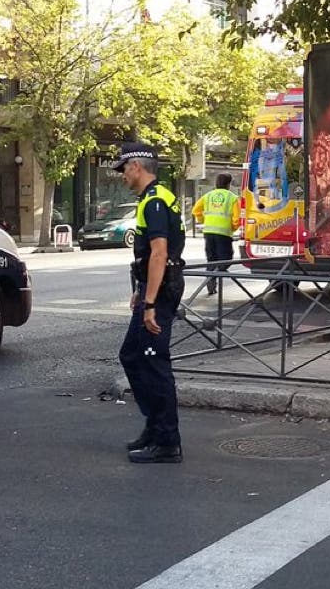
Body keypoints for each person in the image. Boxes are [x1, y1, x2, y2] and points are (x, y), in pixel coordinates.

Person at [115, 142, 186, 463]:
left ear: (136, 167)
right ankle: (154, 426)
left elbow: (159, 253)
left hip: (161, 292)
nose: (122, 176)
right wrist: (140, 289)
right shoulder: (156, 197)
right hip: (153, 288)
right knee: (132, 355)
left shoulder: (154, 202)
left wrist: (150, 303)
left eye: (123, 169)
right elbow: (149, 257)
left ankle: (167, 440)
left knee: (154, 362)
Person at [191, 173, 241, 295]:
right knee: (226, 259)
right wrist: (233, 228)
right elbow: (237, 219)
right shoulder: (232, 198)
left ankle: (210, 282)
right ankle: (214, 276)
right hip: (224, 233)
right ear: (229, 184)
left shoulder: (207, 196)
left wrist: (202, 220)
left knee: (211, 259)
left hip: (208, 231)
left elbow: (195, 210)